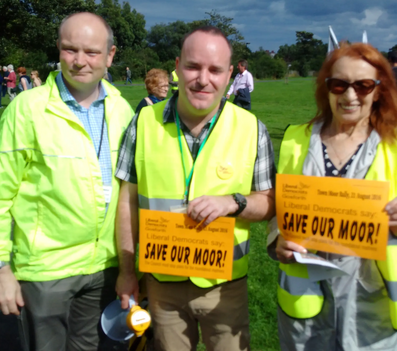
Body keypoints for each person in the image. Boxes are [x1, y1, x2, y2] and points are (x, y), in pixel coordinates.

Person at [115, 26, 276, 351]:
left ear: (229, 74)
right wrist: (126, 271)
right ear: (177, 67)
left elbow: (270, 202)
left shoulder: (251, 128)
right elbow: (126, 203)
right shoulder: (143, 122)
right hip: (160, 284)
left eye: (215, 69)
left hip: (224, 286)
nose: (204, 79)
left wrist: (234, 202)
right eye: (193, 66)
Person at [0, 12, 134, 351]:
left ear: (110, 55)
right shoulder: (26, 109)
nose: (80, 61)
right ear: (58, 50)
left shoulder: (123, 110)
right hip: (46, 271)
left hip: (105, 267)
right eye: (70, 50)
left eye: (91, 52)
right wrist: (0, 268)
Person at [268, 43, 397, 351]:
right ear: (326, 88)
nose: (350, 96)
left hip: (371, 309)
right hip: (305, 307)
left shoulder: (394, 145)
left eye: (363, 86)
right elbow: (279, 211)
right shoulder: (295, 141)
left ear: (378, 90)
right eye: (339, 84)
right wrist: (278, 241)